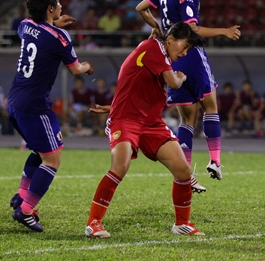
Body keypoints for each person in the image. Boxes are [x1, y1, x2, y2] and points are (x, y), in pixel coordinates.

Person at [135, 0, 241, 191]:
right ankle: (215, 161)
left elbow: (140, 7)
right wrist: (224, 31)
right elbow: (193, 29)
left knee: (187, 120)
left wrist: (158, 28)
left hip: (171, 56)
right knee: (211, 106)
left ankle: (185, 175)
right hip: (191, 53)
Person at [84, 22, 205, 238]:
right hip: (125, 120)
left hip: (151, 122)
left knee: (183, 170)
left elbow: (136, 88)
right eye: (184, 46)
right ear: (170, 39)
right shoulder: (153, 48)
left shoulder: (159, 55)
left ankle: (182, 223)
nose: (184, 53)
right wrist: (183, 76)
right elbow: (175, 83)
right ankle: (94, 223)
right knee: (120, 166)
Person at [7, 0, 94, 232]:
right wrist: (88, 66)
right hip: (35, 106)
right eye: (57, 2)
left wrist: (53, 23)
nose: (61, 6)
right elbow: (75, 69)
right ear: (50, 8)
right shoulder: (60, 37)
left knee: (41, 150)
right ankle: (25, 211)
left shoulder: (25, 25)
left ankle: (22, 196)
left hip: (14, 101)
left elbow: (38, 33)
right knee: (53, 159)